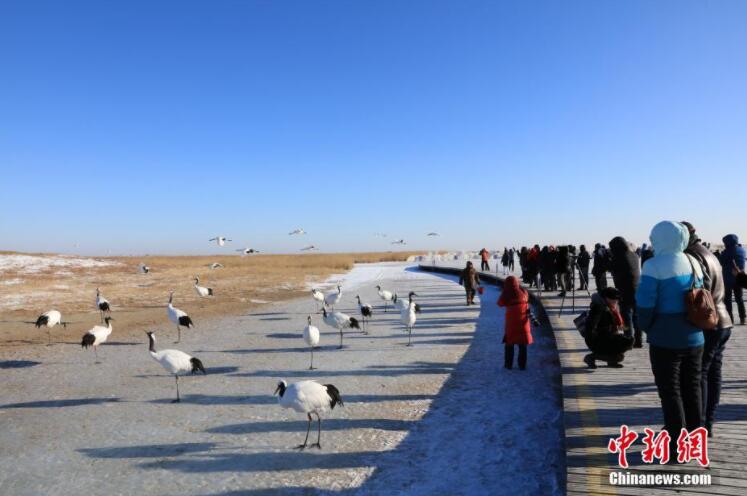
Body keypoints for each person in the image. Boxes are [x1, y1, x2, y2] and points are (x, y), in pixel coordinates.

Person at [637, 221, 705, 448]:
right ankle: (696, 440)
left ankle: (676, 444)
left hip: (665, 339)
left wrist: (646, 326)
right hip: (695, 336)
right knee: (692, 388)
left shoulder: (653, 265)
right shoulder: (693, 260)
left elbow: (645, 303)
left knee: (670, 391)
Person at [682, 221, 732, 437]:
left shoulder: (692, 256)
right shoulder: (707, 252)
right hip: (723, 320)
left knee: (699, 373)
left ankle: (698, 426)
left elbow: (700, 291)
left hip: (709, 322)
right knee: (713, 374)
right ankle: (708, 423)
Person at [583, 287, 634, 368]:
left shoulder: (611, 308)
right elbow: (590, 327)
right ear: (606, 298)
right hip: (597, 339)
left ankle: (611, 361)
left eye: (617, 300)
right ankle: (591, 357)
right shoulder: (598, 308)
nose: (616, 301)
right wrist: (594, 339)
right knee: (622, 344)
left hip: (608, 336)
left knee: (622, 351)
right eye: (613, 299)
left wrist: (627, 330)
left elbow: (618, 326)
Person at [609, 236, 642, 347]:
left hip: (625, 290)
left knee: (626, 317)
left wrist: (606, 258)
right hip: (637, 289)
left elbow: (610, 268)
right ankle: (639, 340)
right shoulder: (635, 255)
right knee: (636, 316)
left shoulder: (619, 257)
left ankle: (628, 339)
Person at [498, 275, 534, 370]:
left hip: (511, 323)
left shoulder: (507, 294)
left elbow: (500, 304)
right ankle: (522, 365)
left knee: (509, 344)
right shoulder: (524, 292)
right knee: (522, 344)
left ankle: (508, 365)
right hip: (523, 322)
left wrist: (504, 292)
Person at [720, 234, 746, 325]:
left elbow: (721, 262)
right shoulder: (742, 250)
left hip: (727, 279)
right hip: (740, 278)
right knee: (739, 299)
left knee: (728, 300)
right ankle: (743, 318)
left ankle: (730, 319)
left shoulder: (726, 252)